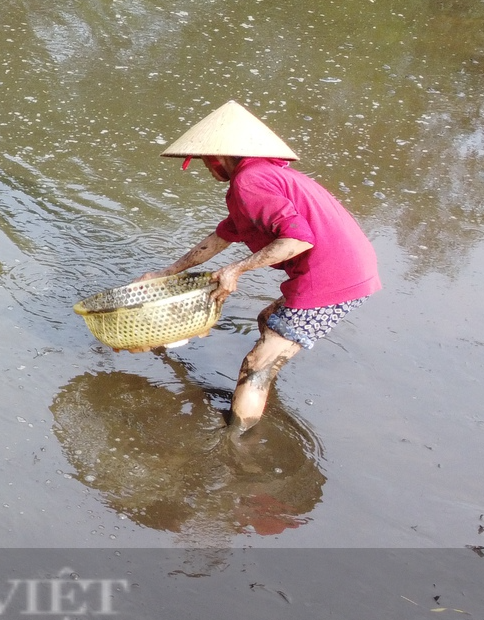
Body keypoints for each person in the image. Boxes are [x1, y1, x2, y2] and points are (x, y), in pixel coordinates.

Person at [138, 101, 381, 435]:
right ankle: (264, 394)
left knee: (255, 366)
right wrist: (165, 274)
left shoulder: (249, 182)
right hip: (352, 268)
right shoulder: (266, 176)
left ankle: (237, 444)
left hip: (330, 278)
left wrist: (235, 270)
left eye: (206, 163)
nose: (208, 171)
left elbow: (297, 240)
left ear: (218, 157)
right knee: (268, 320)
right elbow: (219, 239)